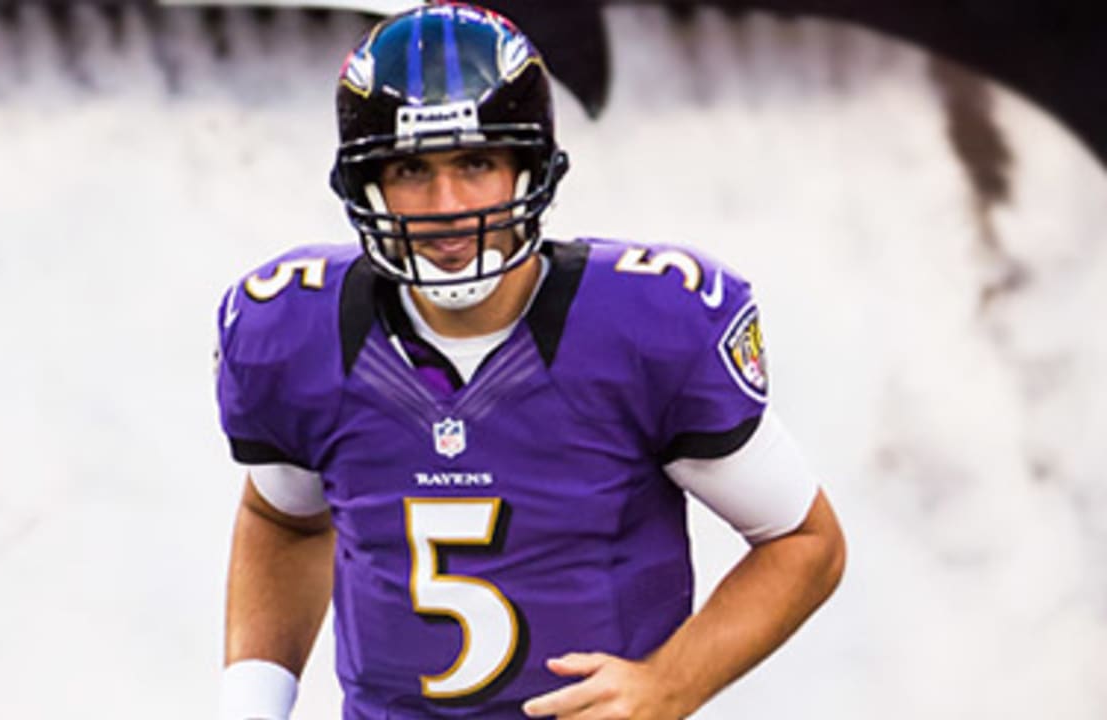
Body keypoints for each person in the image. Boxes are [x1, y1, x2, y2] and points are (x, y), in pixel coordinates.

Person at [215, 4, 845, 718]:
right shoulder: (298, 330)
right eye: (410, 168)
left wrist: (673, 682)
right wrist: (253, 706)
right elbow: (286, 521)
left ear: (531, 167)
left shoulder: (645, 326)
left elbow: (803, 542)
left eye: (476, 162)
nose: (446, 203)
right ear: (366, 185)